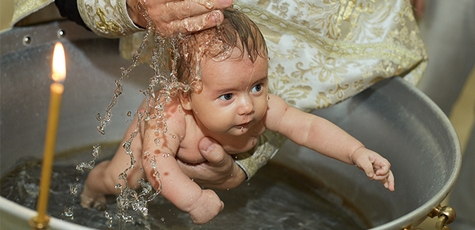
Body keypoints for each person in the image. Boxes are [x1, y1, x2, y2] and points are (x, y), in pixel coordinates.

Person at [80, 8, 395, 224]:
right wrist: (193, 200)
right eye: (228, 95)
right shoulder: (171, 114)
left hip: (193, 164)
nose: (248, 106)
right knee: (123, 182)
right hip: (147, 148)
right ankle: (94, 184)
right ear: (187, 96)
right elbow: (156, 162)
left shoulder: (263, 107)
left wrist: (357, 152)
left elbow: (308, 128)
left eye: (257, 86)